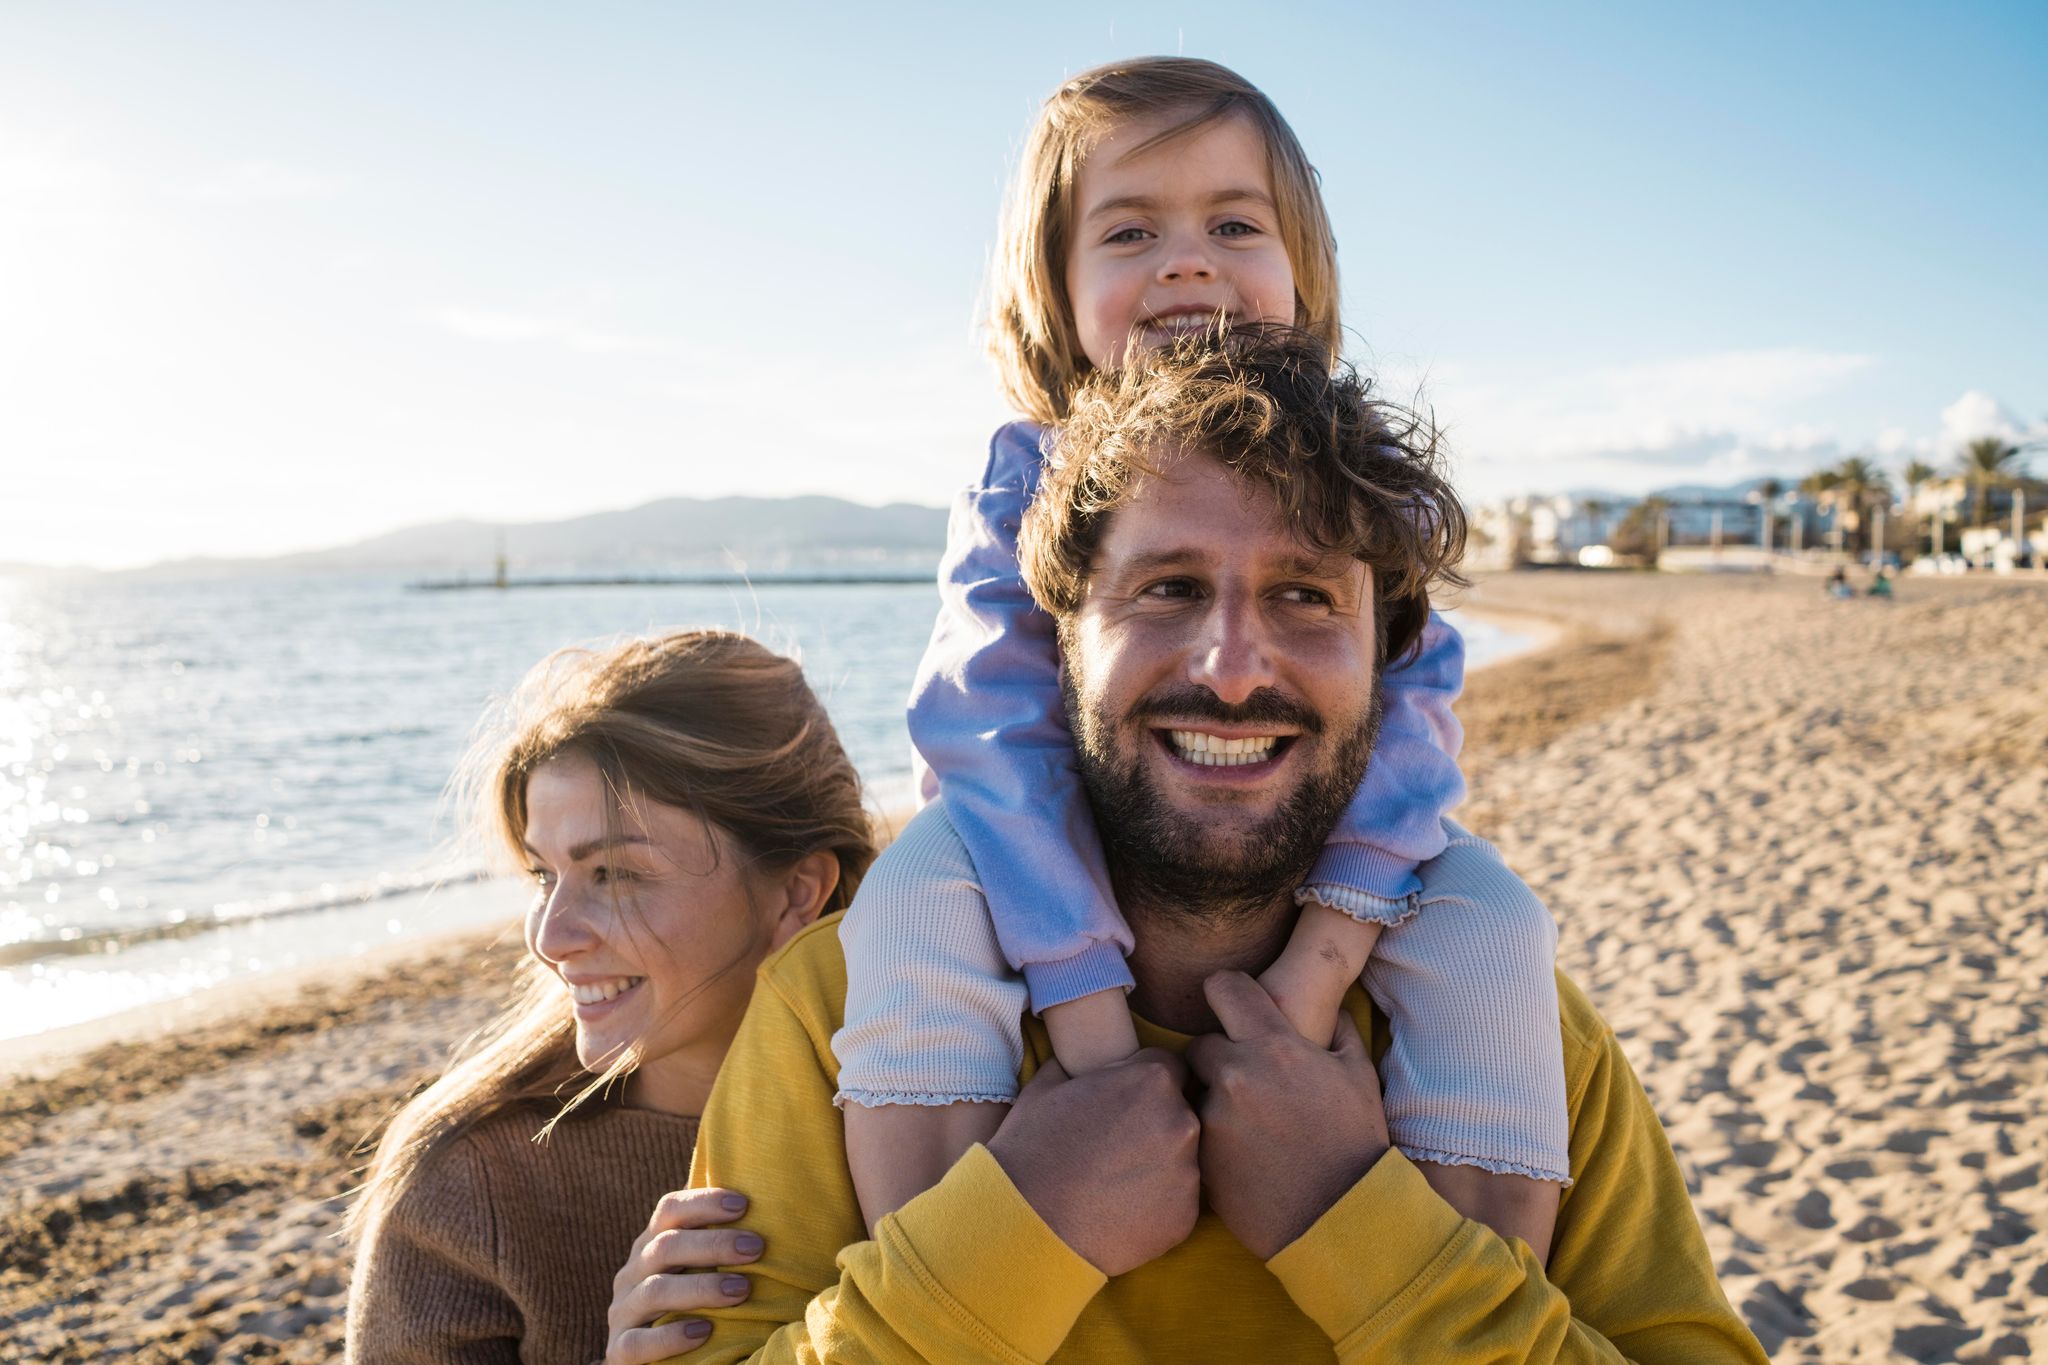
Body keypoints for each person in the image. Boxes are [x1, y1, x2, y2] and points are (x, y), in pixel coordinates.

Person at [679, 331, 1766, 1361]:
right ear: (1058, 644)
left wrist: (1361, 1227)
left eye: (1303, 596)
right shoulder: (839, 1008)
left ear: (1385, 661)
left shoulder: (1517, 1033)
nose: (1234, 668)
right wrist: (1019, 1229)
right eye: (1168, 589)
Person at [838, 55, 1567, 1259]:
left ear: (1302, 274)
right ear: (1054, 286)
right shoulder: (1021, 478)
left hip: (1308, 857)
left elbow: (1413, 711)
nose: (1186, 260)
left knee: (1489, 919)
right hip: (1040, 856)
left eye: (1233, 222)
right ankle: (954, 1261)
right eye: (1128, 231)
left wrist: (1318, 970)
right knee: (916, 891)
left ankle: (1463, 1277)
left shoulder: (1347, 464)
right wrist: (1087, 1025)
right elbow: (989, 734)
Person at [345, 631, 878, 1363]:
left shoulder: (941, 1107)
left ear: (795, 892)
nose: (550, 935)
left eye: (616, 873)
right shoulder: (467, 1186)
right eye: (544, 874)